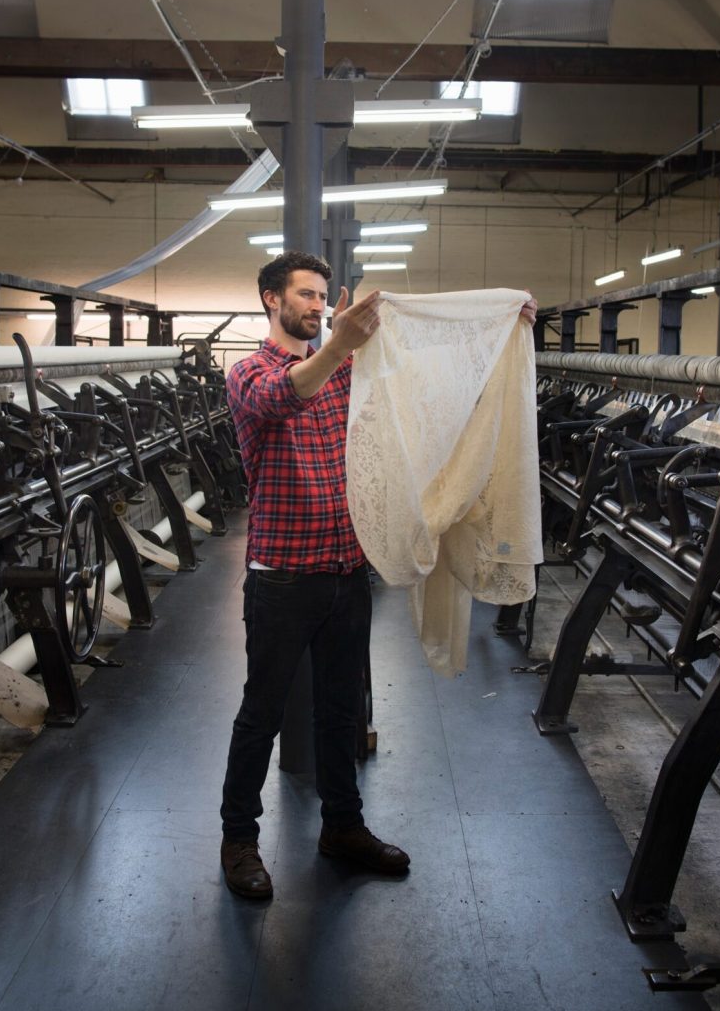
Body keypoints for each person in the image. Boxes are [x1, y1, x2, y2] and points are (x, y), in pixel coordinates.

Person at [220, 249, 538, 899]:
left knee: (342, 711)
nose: (314, 305)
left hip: (344, 572)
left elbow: (429, 379)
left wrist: (505, 324)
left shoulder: (351, 372)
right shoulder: (249, 373)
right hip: (281, 578)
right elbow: (284, 397)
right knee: (263, 712)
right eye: (303, 295)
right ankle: (239, 841)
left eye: (320, 296)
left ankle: (344, 826)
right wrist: (340, 343)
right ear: (270, 300)